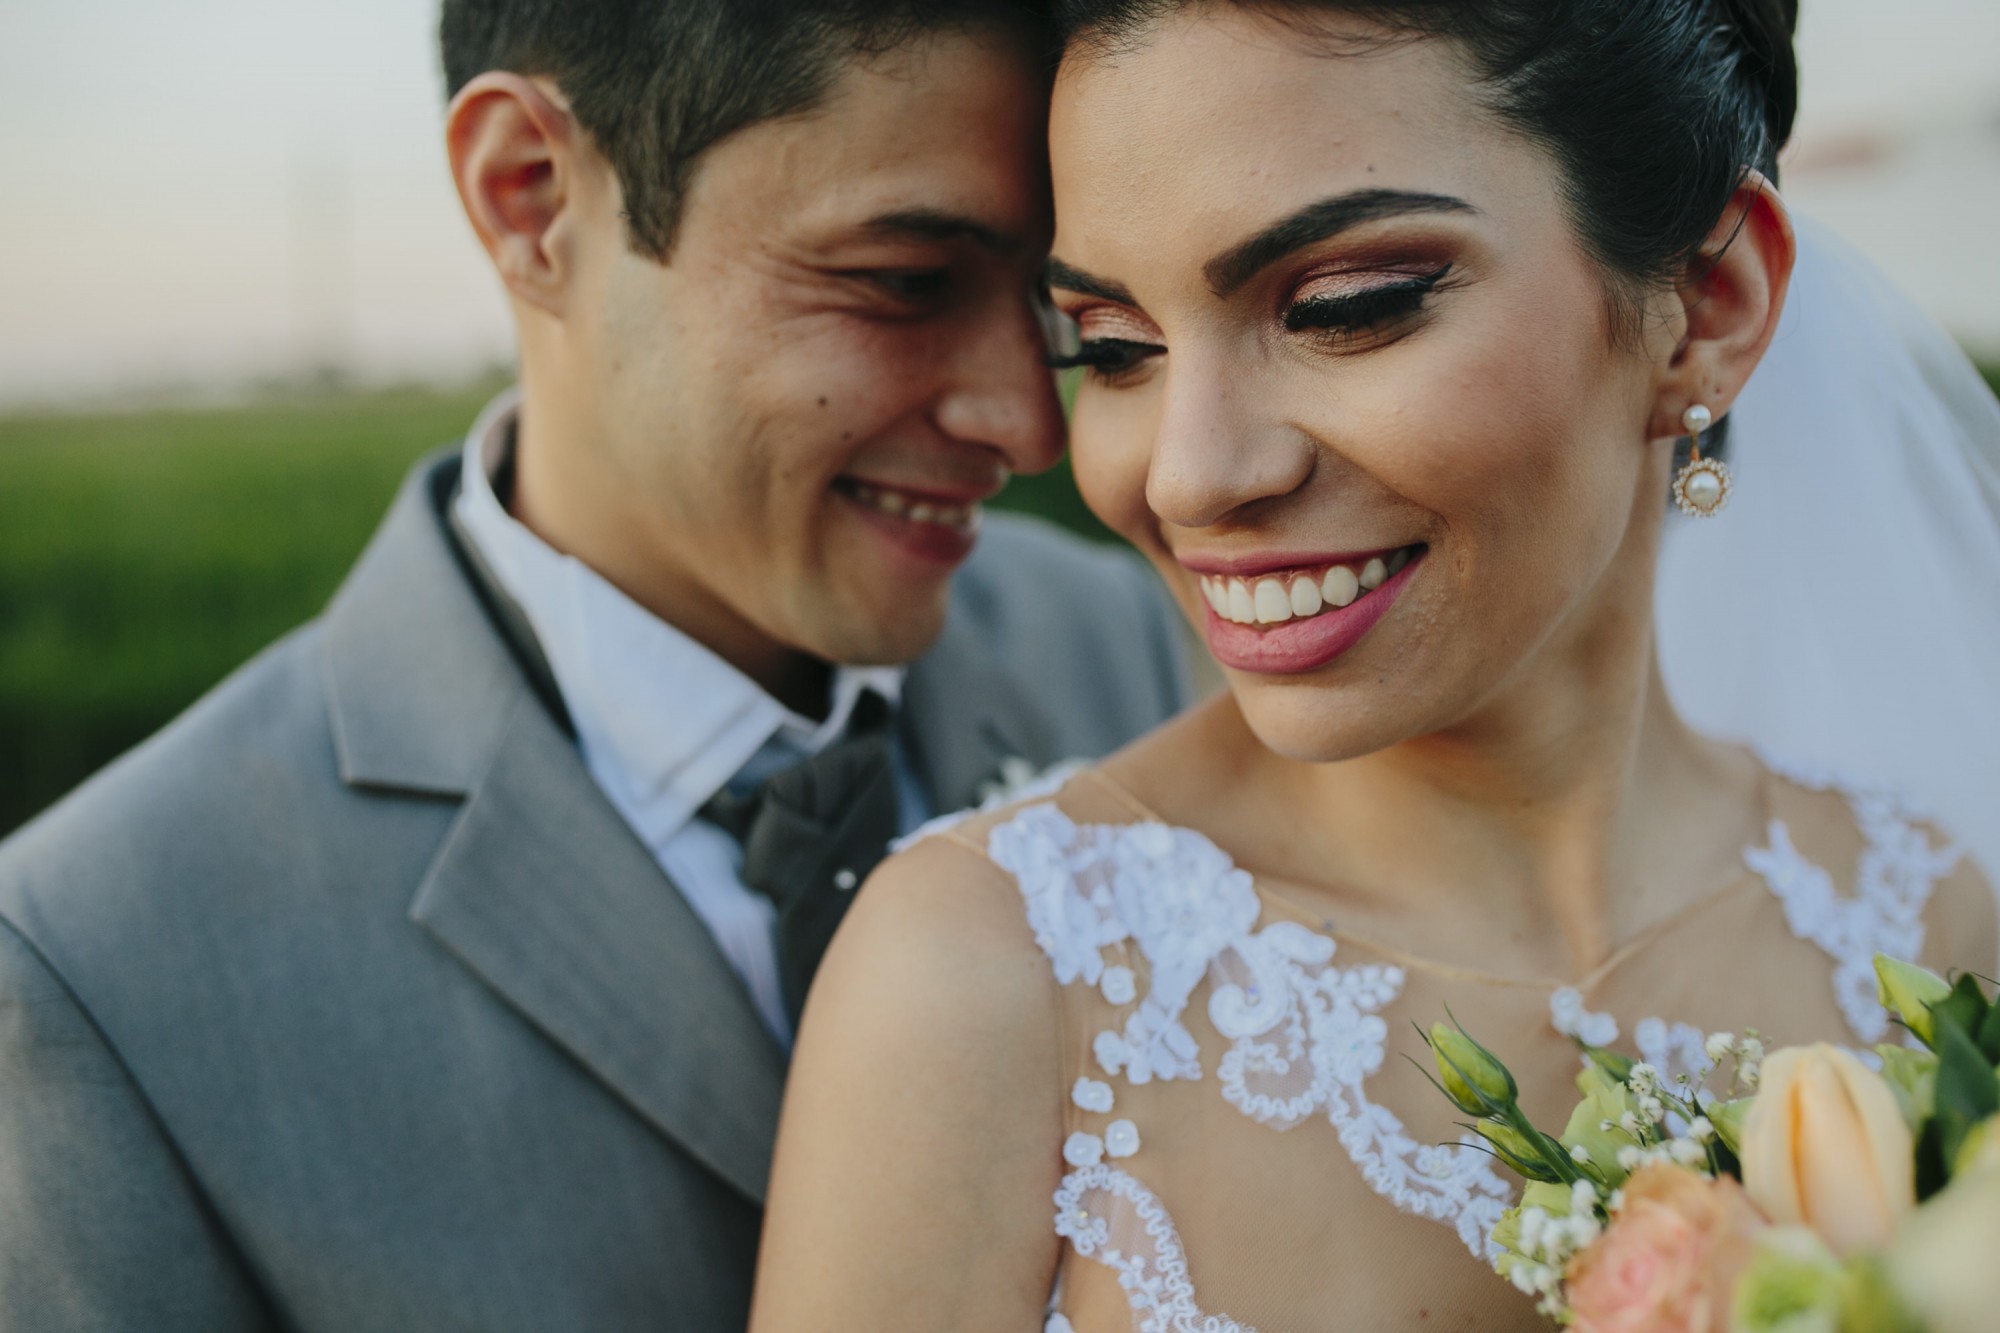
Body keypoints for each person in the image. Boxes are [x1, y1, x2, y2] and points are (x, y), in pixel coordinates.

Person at [747, 2, 2000, 1329]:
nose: (1188, 473)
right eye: (1113, 347)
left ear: (1707, 308)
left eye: (1345, 308)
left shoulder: (1922, 937)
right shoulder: (982, 984)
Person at [0, 2, 1191, 1328]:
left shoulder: (1133, 647)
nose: (1029, 425)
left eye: (1050, 304)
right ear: (531, 195)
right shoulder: (95, 972)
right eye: (905, 280)